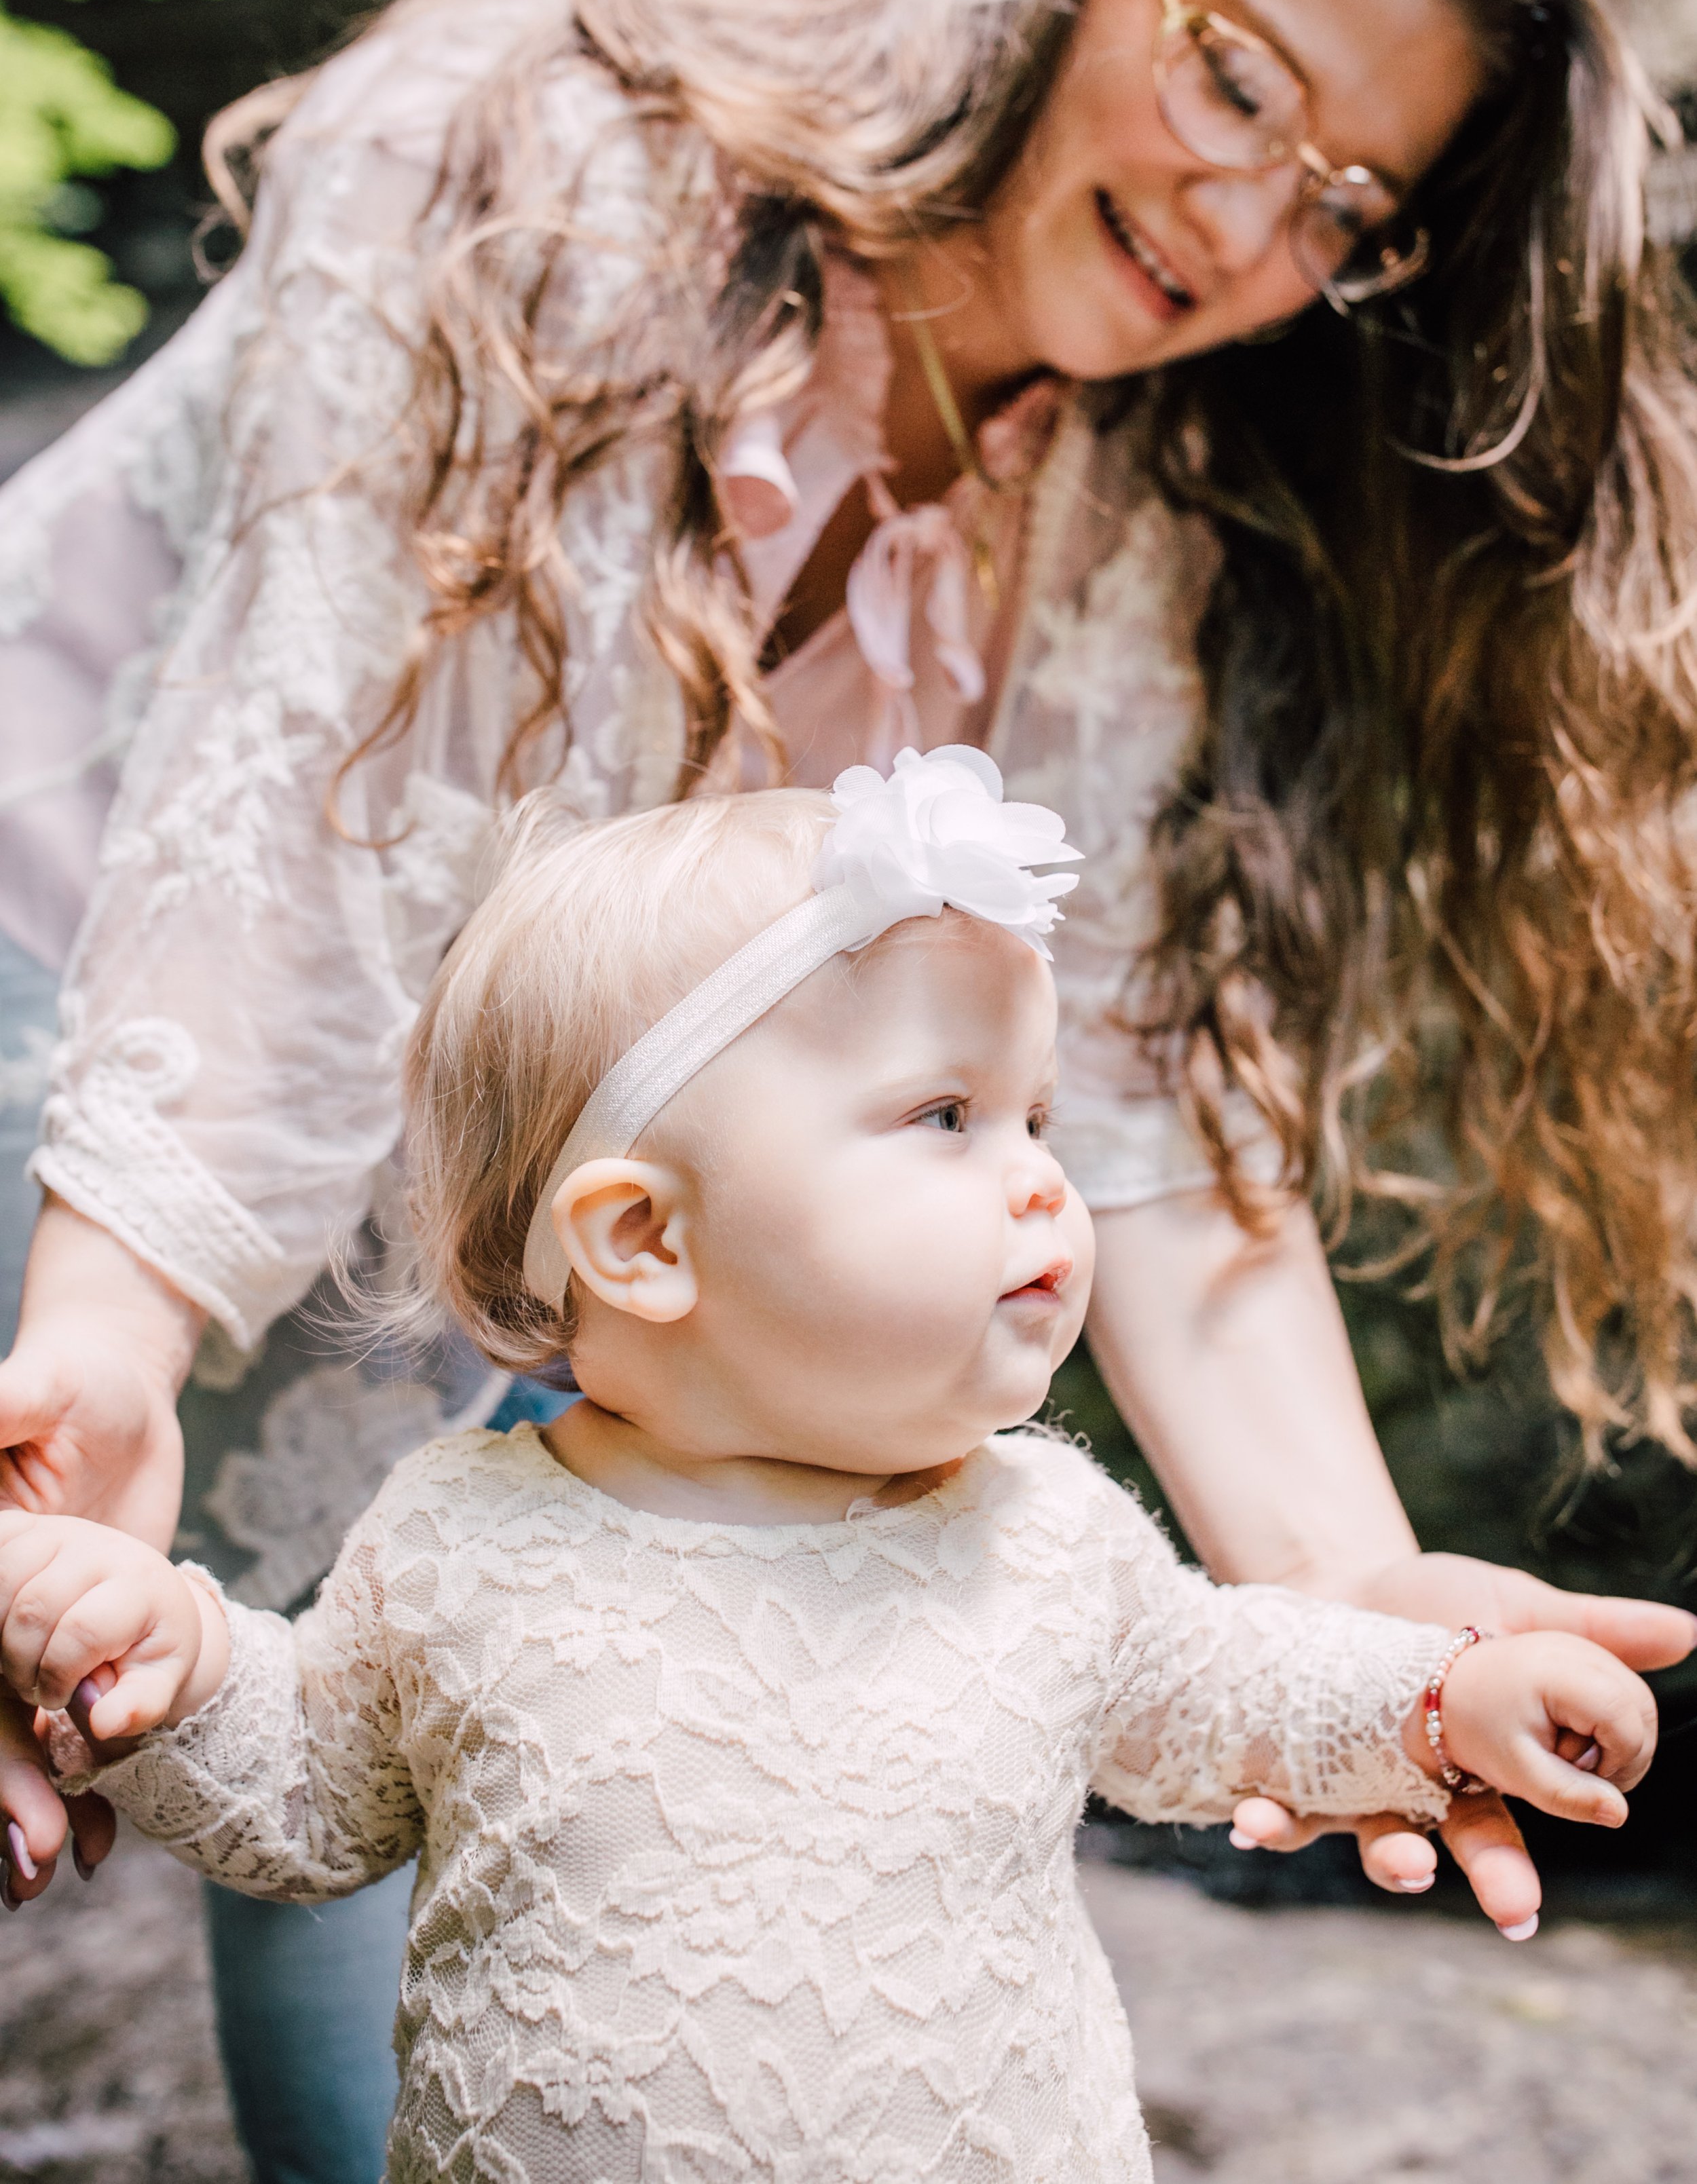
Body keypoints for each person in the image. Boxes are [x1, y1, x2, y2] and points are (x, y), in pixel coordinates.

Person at [2, 0, 1696, 2179]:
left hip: (518, 1191)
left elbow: (1132, 1103)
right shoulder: (536, 144)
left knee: (459, 1825)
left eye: (1347, 201)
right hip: (81, 990)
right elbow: (288, 807)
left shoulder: (1121, 512)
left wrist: (1355, 1623)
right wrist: (110, 1321)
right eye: (1238, 78)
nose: (1249, 223)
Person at [0, 753, 1665, 2182]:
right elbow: (308, 1797)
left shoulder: (1039, 1533)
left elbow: (1228, 1682)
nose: (1040, 1189)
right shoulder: (460, 1540)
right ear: (643, 1238)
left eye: (1039, 1122)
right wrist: (171, 1659)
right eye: (945, 1116)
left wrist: (1438, 1698)